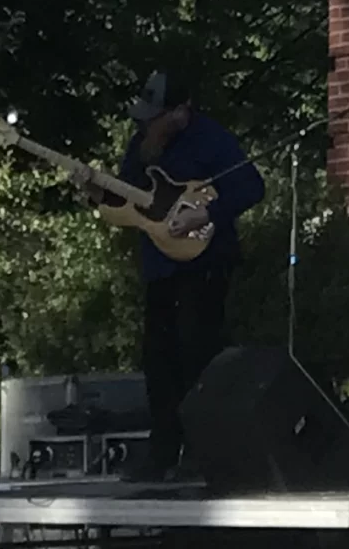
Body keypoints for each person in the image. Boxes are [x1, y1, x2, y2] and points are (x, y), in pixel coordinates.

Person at [119, 67, 263, 481]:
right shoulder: (143, 145)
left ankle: (204, 451)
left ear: (182, 111)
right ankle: (162, 449)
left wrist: (208, 213)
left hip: (205, 263)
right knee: (158, 358)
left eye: (157, 115)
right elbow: (125, 196)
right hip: (160, 263)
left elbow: (252, 186)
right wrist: (97, 188)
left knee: (198, 355)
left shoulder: (212, 140)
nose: (149, 123)